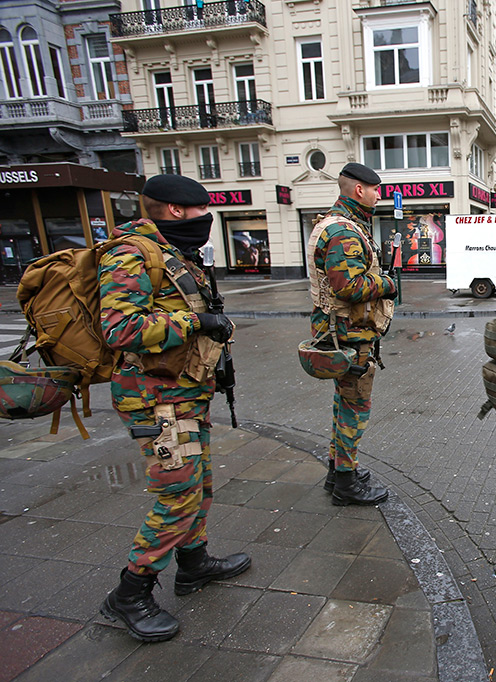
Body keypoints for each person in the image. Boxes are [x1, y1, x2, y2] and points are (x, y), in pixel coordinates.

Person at [98, 174, 251, 643]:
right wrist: (196, 321)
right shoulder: (131, 253)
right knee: (178, 494)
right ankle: (130, 592)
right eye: (202, 212)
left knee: (199, 483)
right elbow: (118, 327)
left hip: (183, 394)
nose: (207, 220)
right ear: (175, 211)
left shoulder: (173, 255)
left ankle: (194, 563)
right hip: (155, 399)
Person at [310, 162, 396, 505]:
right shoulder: (345, 231)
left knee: (342, 403)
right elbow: (347, 286)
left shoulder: (334, 223)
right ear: (359, 190)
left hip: (338, 332)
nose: (379, 195)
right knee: (354, 409)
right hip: (350, 335)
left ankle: (338, 471)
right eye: (375, 189)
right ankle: (346, 483)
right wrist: (388, 283)